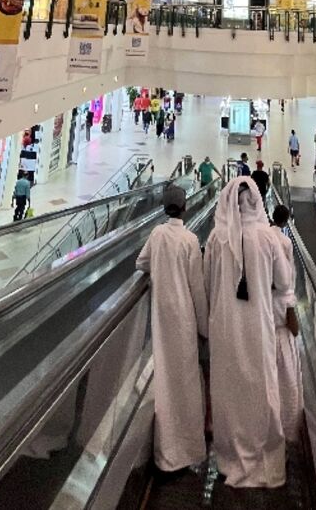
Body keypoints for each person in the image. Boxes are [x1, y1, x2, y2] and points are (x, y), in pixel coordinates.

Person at [205, 179, 292, 487]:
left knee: (230, 388)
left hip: (226, 328)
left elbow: (207, 282)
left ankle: (230, 454)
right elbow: (283, 282)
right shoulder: (268, 238)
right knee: (260, 385)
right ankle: (262, 452)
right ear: (256, 202)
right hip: (260, 326)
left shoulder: (217, 238)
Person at [136, 184, 208, 474]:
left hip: (161, 318)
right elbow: (197, 289)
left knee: (164, 380)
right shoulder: (190, 240)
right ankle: (189, 447)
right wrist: (204, 327)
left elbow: (141, 263)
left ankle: (165, 449)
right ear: (185, 207)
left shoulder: (157, 234)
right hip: (185, 318)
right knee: (187, 380)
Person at [269, 204, 303, 443]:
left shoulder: (263, 237)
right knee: (286, 383)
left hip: (265, 332)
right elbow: (294, 326)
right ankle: (286, 428)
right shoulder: (285, 243)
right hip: (281, 337)